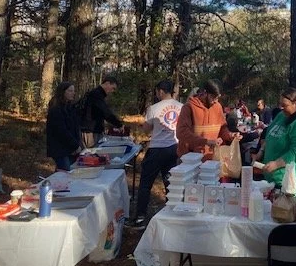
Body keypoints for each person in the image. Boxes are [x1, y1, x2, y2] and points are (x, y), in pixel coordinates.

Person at [130, 80, 183, 229]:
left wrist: (143, 123)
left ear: (160, 91)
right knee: (171, 183)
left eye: (156, 91)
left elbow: (147, 129)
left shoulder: (153, 108)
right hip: (174, 148)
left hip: (157, 149)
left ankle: (140, 218)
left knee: (146, 184)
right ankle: (174, 216)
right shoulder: (181, 107)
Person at [259, 88, 296, 191]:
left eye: (284, 105)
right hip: (275, 180)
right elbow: (270, 136)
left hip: (295, 182)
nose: (281, 108)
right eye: (280, 104)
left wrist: (276, 164)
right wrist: (260, 152)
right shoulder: (281, 115)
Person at [176, 79, 240, 161]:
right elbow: (181, 132)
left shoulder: (217, 107)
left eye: (217, 98)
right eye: (213, 97)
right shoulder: (189, 107)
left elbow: (222, 129)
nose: (215, 101)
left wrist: (230, 135)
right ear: (204, 93)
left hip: (210, 159)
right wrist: (206, 141)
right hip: (190, 161)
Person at [78, 75, 123, 148]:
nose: (112, 91)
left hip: (94, 130)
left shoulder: (99, 95)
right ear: (107, 83)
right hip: (90, 131)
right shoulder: (96, 95)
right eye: (113, 88)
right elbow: (105, 112)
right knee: (90, 155)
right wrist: (118, 124)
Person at [46, 82, 82, 172]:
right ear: (63, 92)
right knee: (65, 172)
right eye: (70, 91)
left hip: (70, 148)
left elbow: (74, 128)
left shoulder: (70, 108)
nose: (73, 93)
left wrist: (76, 145)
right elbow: (61, 131)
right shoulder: (56, 109)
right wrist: (74, 145)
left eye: (73, 91)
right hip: (60, 149)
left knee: (70, 171)